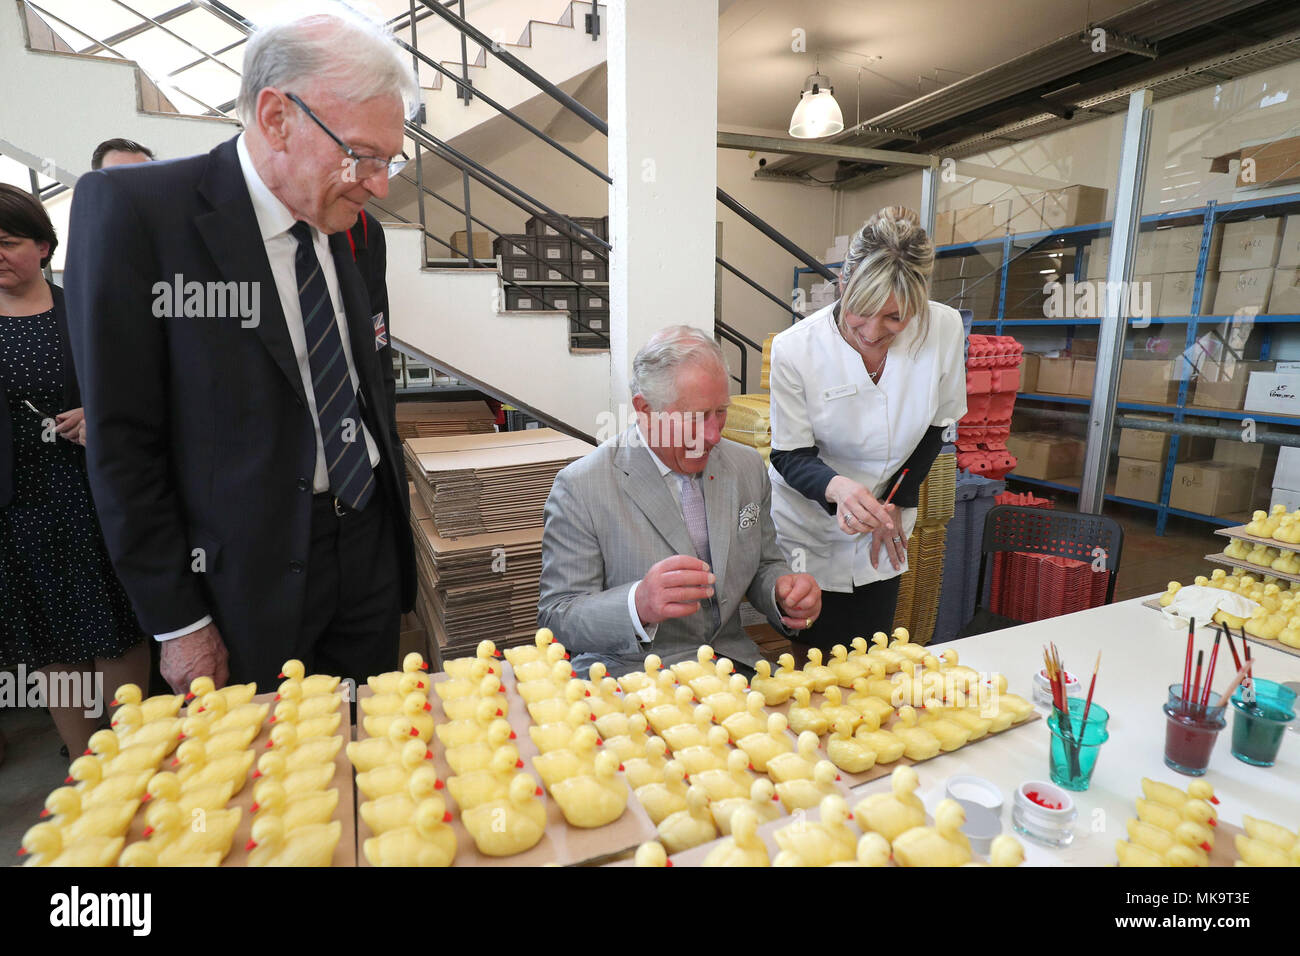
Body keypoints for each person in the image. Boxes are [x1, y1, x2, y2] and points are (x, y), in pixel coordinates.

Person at [63, 7, 418, 692]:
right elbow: (124, 441)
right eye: (362, 156)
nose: (378, 184)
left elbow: (369, 383)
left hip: (366, 547)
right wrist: (177, 621)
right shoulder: (138, 214)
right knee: (261, 779)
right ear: (276, 117)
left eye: (388, 159)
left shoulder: (355, 233)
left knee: (369, 755)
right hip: (239, 579)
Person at [539, 325, 822, 678]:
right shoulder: (582, 486)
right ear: (645, 409)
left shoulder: (746, 466)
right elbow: (557, 617)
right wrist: (637, 604)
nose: (714, 435)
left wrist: (782, 591)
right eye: (695, 417)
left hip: (735, 670)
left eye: (721, 411)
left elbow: (764, 563)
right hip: (633, 680)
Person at [768, 206, 967, 658]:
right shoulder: (797, 349)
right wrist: (839, 489)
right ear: (843, 284)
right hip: (810, 524)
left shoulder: (944, 330)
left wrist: (898, 500)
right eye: (860, 312)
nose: (874, 332)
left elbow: (938, 426)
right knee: (811, 656)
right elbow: (789, 454)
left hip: (885, 524)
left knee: (868, 648)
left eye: (895, 318)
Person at [0, 185, 147, 756]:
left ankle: (135, 759)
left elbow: (138, 392)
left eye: (8, 242)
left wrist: (101, 416)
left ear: (42, 246)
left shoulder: (84, 313)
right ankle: (87, 773)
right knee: (51, 642)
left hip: (89, 496)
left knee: (115, 625)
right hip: (18, 510)